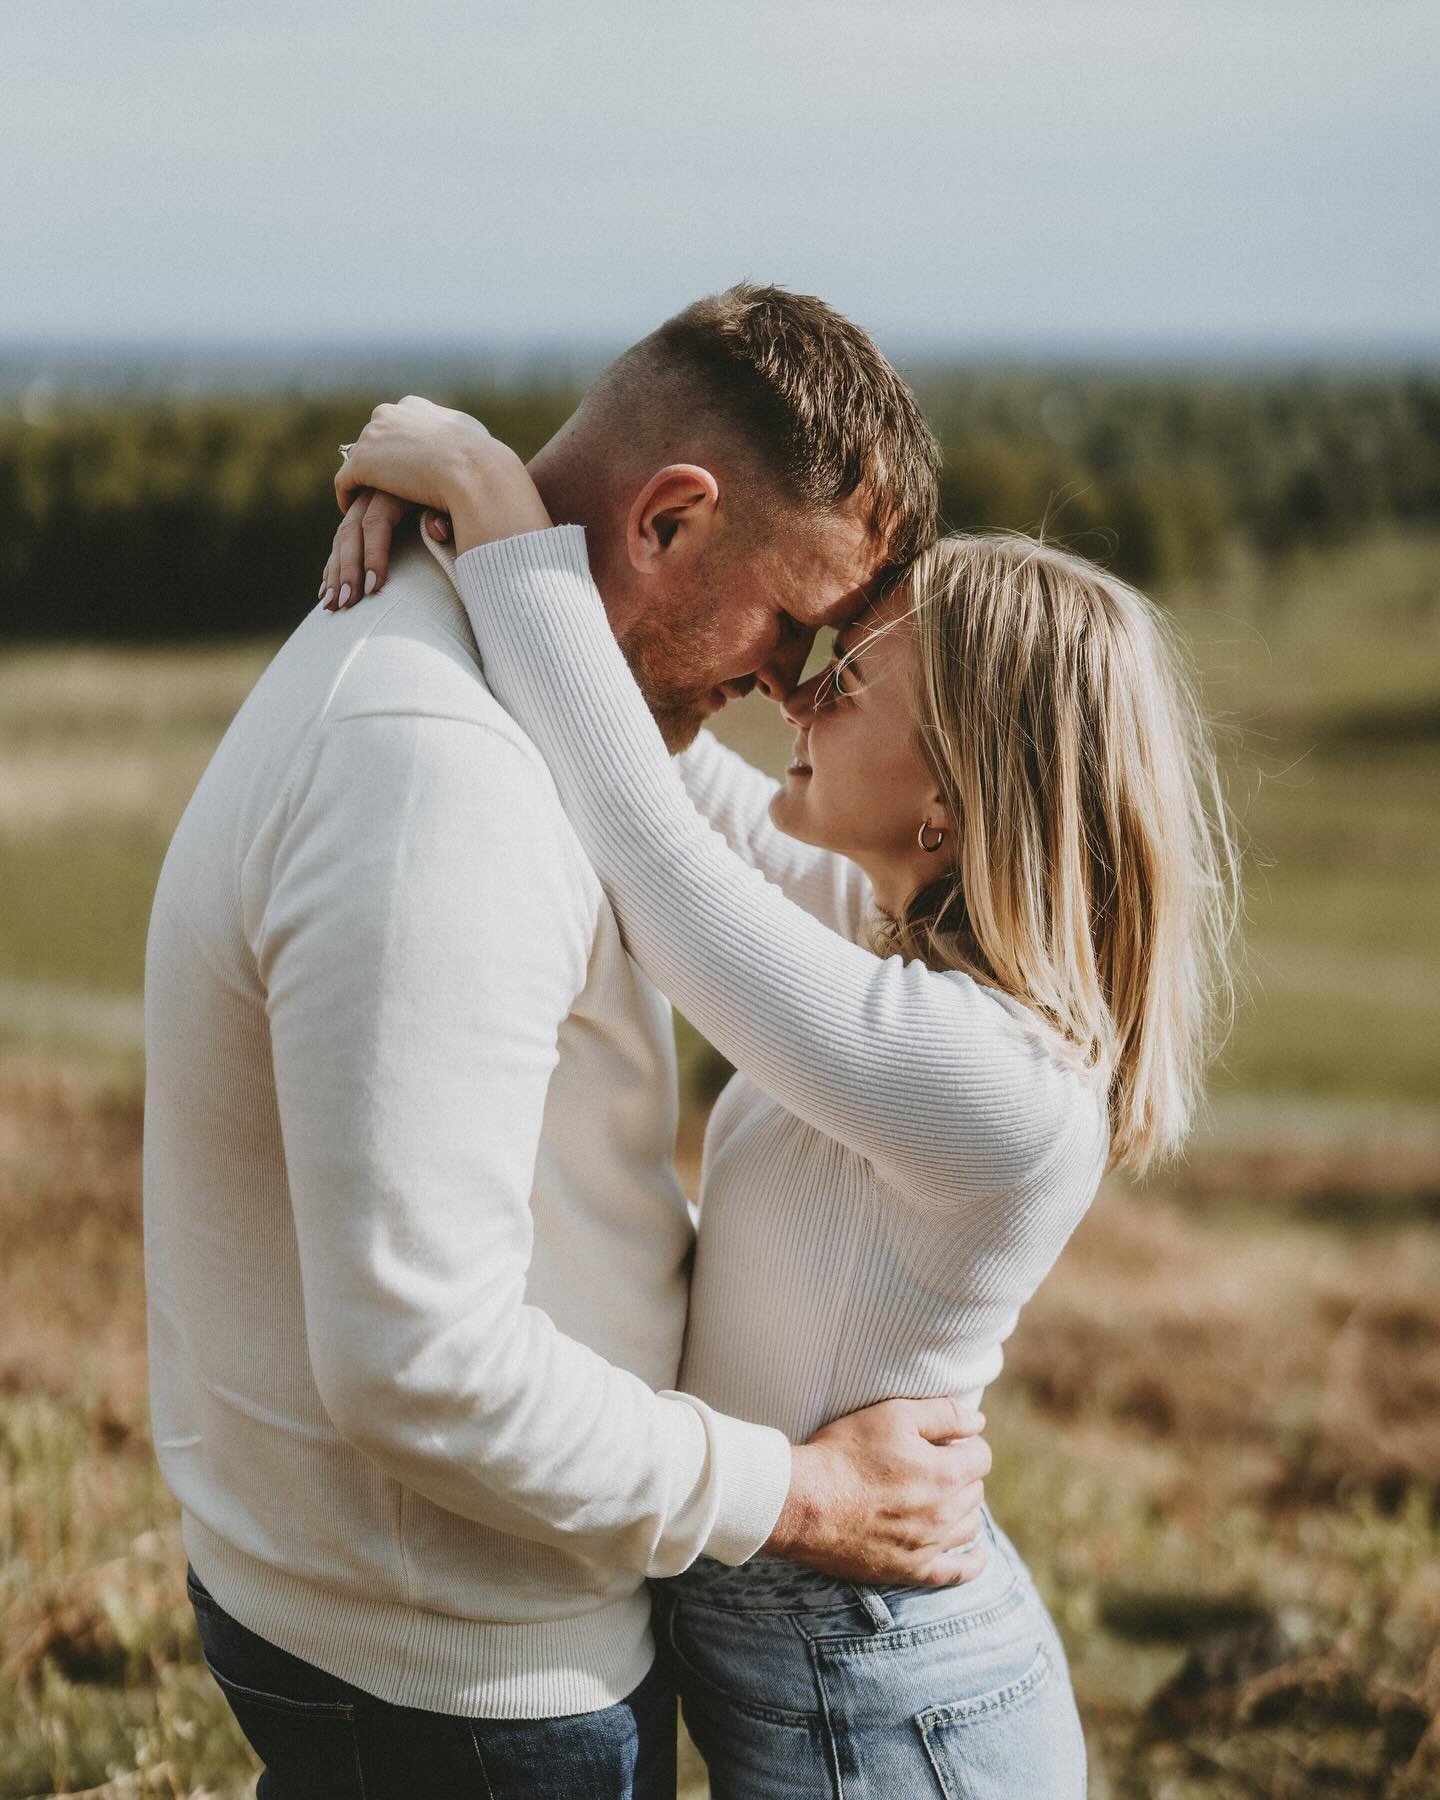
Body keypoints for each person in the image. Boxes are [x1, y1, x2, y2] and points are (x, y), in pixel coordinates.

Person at [142, 286, 994, 1800]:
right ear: (667, 521)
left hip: (444, 1625)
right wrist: (797, 1498)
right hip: (458, 1673)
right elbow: (423, 1364)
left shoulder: (520, 703)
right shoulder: (436, 773)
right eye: (792, 625)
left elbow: (733, 855)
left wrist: (493, 510)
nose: (791, 688)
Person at [320, 394, 1238, 1798]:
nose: (800, 691)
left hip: (883, 1695)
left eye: (852, 679)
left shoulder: (992, 1076)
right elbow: (653, 774)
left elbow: (652, 854)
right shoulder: (884, 929)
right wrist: (462, 509)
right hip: (831, 1650)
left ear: (950, 795)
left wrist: (500, 516)